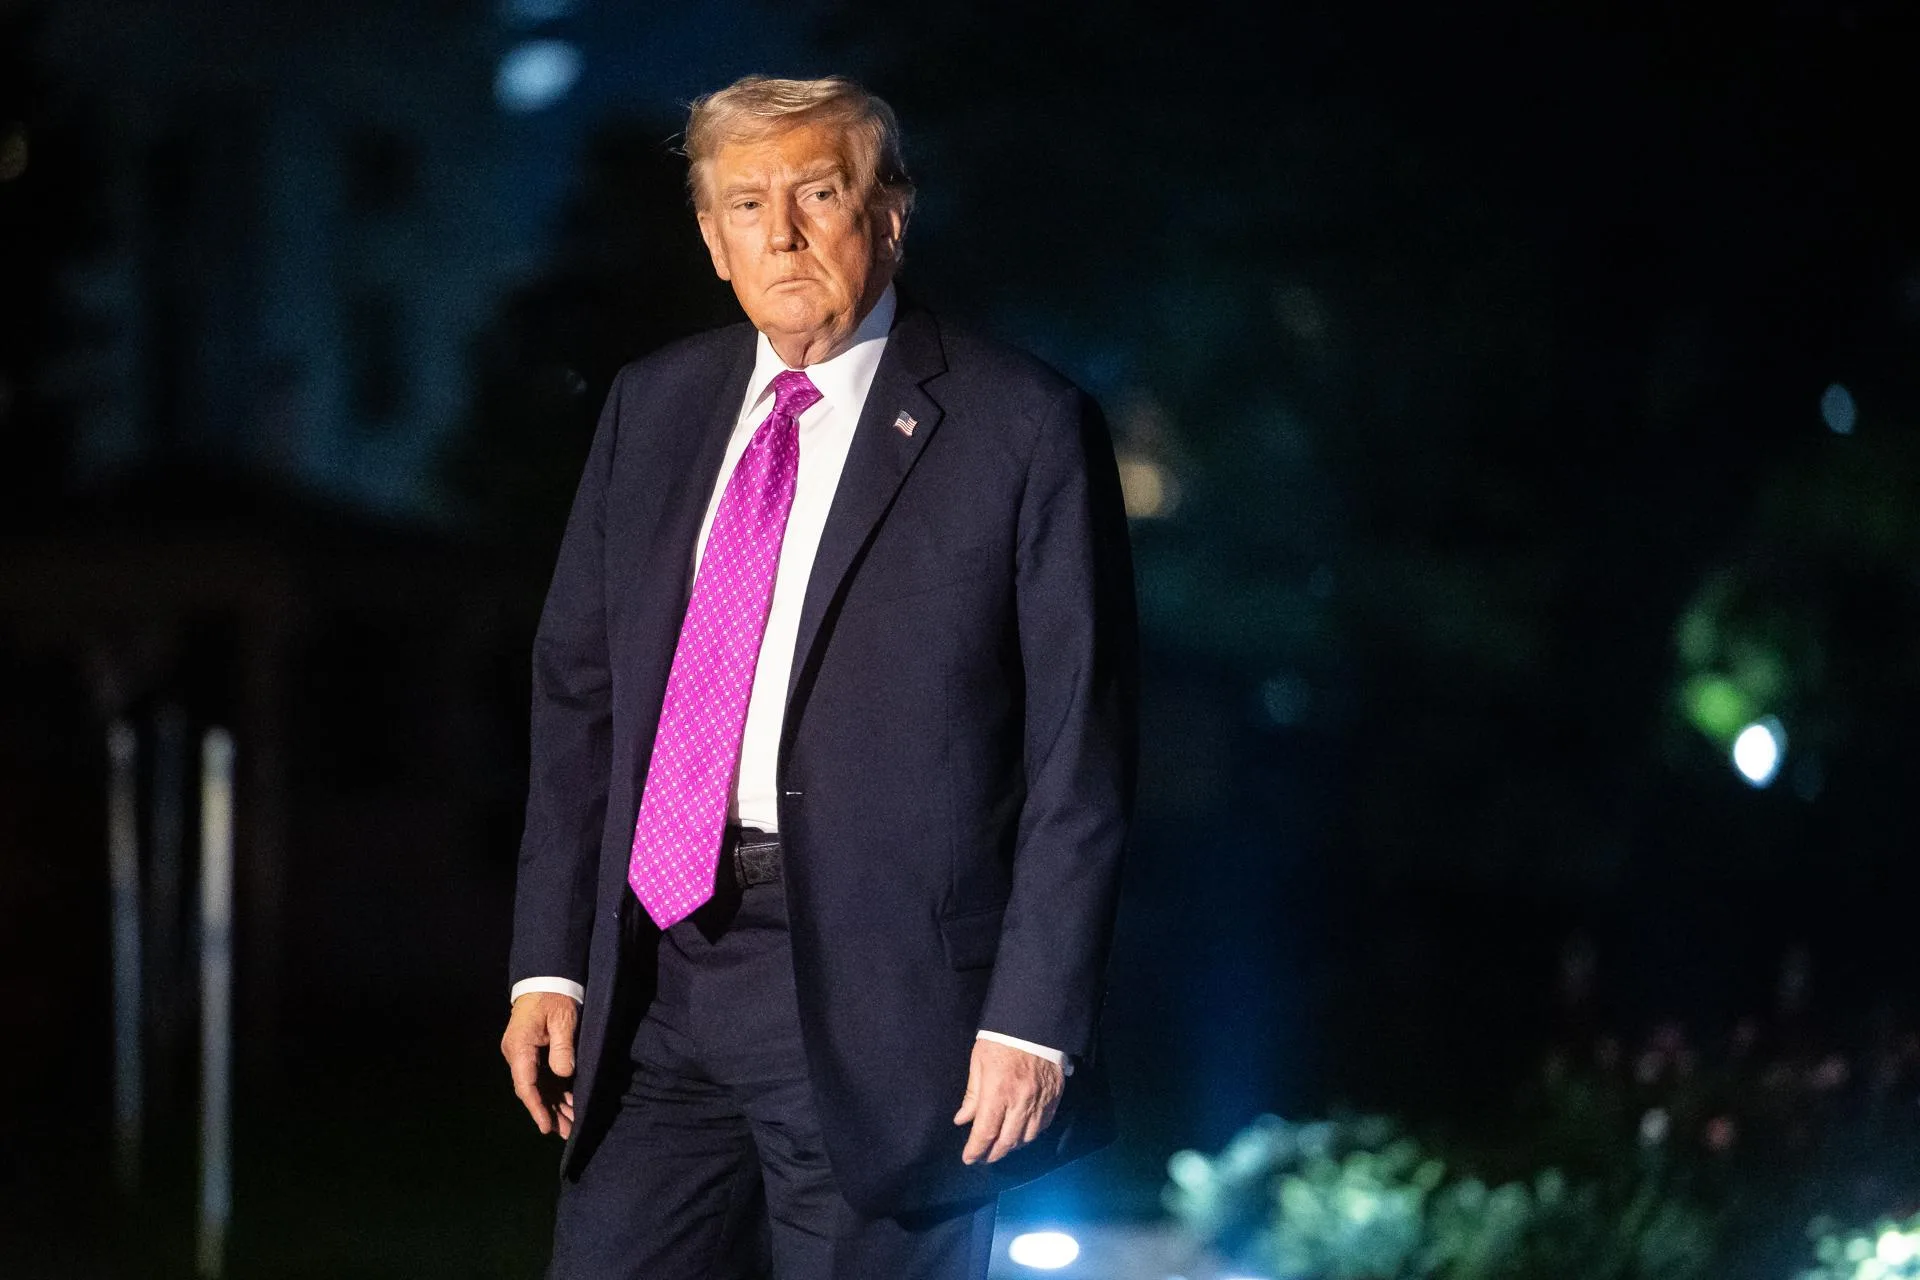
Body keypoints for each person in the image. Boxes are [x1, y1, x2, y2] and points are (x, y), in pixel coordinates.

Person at [499, 74, 1137, 1280]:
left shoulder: (1022, 426)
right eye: (746, 204)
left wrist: (1034, 1016)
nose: (781, 232)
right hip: (661, 980)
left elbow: (1079, 747)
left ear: (890, 215)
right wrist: (551, 959)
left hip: (894, 1002)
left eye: (819, 193)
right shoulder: (653, 406)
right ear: (709, 239)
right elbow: (578, 692)